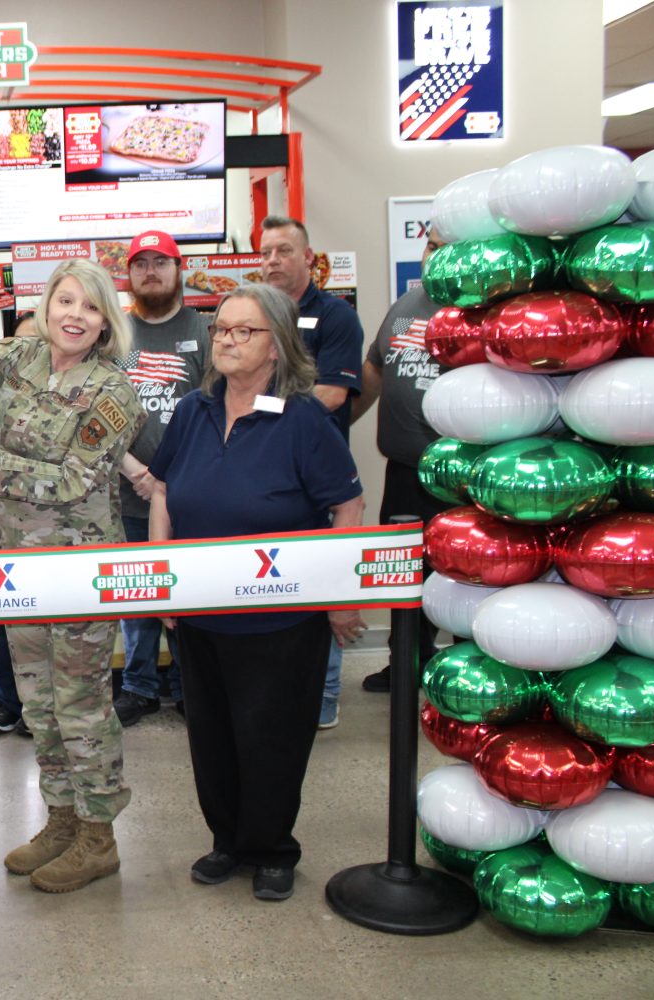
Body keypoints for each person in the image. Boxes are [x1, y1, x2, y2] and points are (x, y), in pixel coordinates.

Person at [148, 283, 365, 902]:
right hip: (202, 617)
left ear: (277, 347)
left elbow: (347, 505)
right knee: (211, 737)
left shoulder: (303, 420)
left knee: (270, 737)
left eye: (245, 331)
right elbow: (162, 491)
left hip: (279, 621)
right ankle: (227, 841)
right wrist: (163, 580)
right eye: (221, 330)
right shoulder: (193, 410)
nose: (228, 340)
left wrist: (337, 594)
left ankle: (272, 849)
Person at [0, 259, 142, 894]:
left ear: (106, 322)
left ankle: (98, 835)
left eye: (90, 306)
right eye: (65, 301)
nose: (74, 315)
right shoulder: (21, 355)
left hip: (77, 569)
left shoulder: (114, 392)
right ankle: (61, 821)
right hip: (15, 566)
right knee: (38, 701)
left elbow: (76, 479)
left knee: (82, 705)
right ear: (47, 307)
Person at [259, 215, 365, 729]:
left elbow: (331, 393)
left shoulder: (336, 317)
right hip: (267, 478)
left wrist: (265, 417)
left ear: (308, 257)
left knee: (323, 577)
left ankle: (323, 698)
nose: (273, 260)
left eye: (284, 250)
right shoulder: (261, 316)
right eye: (266, 252)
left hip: (318, 476)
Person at [111, 231, 209, 727]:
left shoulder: (206, 330)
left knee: (188, 591)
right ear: (128, 274)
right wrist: (138, 472)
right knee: (138, 594)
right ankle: (140, 685)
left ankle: (190, 683)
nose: (150, 271)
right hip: (128, 492)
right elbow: (98, 416)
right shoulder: (114, 336)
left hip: (190, 495)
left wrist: (171, 481)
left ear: (179, 269)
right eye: (140, 263)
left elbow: (218, 413)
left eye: (160, 262)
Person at [353, 224, 451, 692]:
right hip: (403, 470)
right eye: (431, 245)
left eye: (447, 247)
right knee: (403, 569)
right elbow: (376, 366)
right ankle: (405, 663)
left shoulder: (478, 310)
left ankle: (463, 670)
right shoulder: (406, 305)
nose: (434, 254)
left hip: (458, 477)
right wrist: (340, 421)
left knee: (460, 571)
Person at [0, 310, 37, 739]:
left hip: (50, 532)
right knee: (2, 616)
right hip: (2, 528)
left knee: (43, 621)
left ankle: (39, 710)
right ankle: (9, 701)